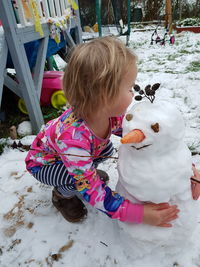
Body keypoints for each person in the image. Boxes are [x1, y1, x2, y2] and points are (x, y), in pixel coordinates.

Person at [25, 36, 200, 226]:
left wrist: (185, 168)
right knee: (77, 179)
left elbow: (154, 141)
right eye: (129, 88)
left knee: (106, 149)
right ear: (103, 96)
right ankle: (62, 195)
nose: (133, 94)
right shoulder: (72, 141)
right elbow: (93, 192)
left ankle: (84, 172)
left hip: (79, 156)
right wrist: (138, 214)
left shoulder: (113, 116)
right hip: (44, 165)